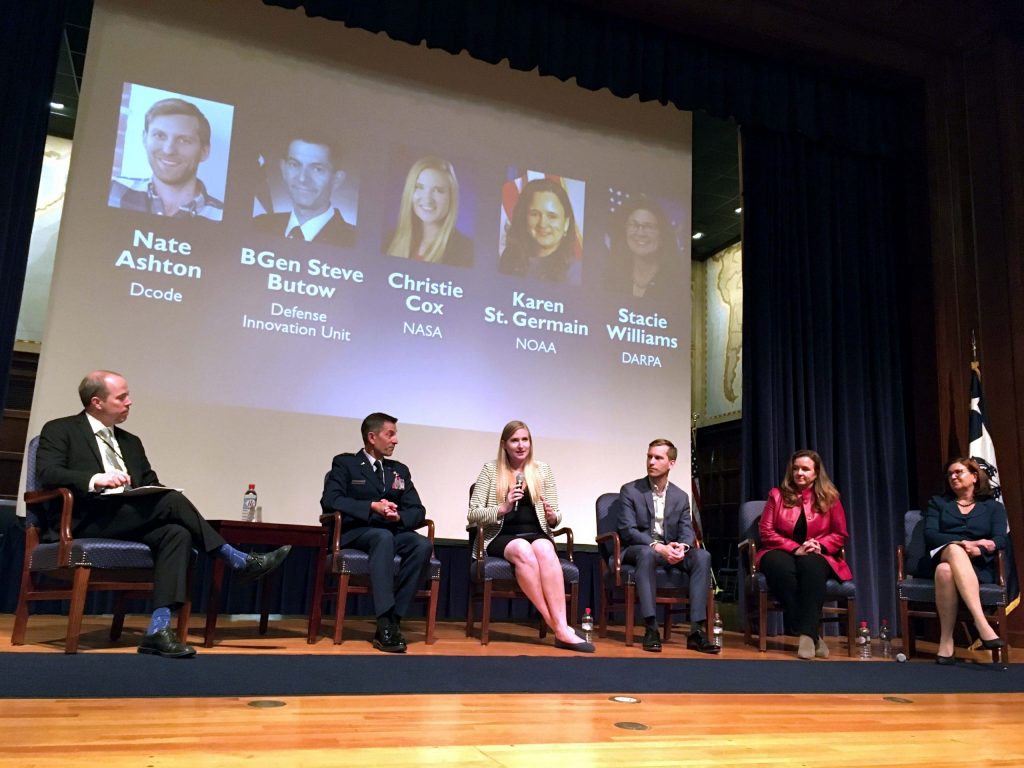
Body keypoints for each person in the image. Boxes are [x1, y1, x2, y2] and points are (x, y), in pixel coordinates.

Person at [34, 371, 291, 658]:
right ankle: (235, 558)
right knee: (171, 501)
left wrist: (151, 492)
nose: (129, 402)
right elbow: (47, 472)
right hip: (84, 518)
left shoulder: (131, 441)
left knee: (177, 533)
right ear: (96, 402)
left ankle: (157, 630)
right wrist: (96, 478)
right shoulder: (61, 429)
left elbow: (150, 481)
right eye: (121, 397)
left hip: (124, 517)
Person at [468, 420, 593, 652]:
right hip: (500, 536)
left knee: (545, 549)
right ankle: (559, 627)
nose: (520, 445)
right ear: (504, 444)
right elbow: (473, 515)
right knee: (522, 549)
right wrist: (503, 508)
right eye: (515, 440)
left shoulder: (542, 470)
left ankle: (560, 627)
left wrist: (553, 516)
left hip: (536, 533)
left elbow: (556, 514)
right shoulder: (490, 470)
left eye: (525, 440)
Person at [320, 413, 433, 653]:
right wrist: (372, 506)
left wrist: (398, 516)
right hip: (356, 532)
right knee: (382, 537)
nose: (396, 440)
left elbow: (418, 510)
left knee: (422, 545)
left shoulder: (399, 470)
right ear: (372, 437)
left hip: (391, 530)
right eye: (390, 434)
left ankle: (395, 619)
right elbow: (331, 500)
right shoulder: (346, 463)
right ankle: (384, 622)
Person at [617, 439, 719, 654]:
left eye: (658, 458)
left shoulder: (680, 496)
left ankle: (696, 632)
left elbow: (686, 530)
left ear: (671, 463)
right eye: (649, 457)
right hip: (638, 549)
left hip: (669, 549)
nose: (651, 462)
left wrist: (682, 547)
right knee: (647, 553)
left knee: (702, 556)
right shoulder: (630, 490)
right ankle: (651, 628)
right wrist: (657, 546)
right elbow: (628, 530)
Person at [756, 449, 852, 659]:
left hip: (816, 552)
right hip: (779, 550)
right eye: (796, 468)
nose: (799, 473)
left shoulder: (831, 497)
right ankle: (810, 634)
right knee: (779, 566)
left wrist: (820, 544)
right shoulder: (777, 495)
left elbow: (840, 534)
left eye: (805, 469)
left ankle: (806, 635)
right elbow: (766, 532)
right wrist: (793, 548)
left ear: (816, 473)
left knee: (811, 565)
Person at [924, 457, 1007, 664]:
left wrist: (979, 548)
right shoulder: (938, 503)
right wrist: (964, 543)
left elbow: (1000, 539)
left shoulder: (993, 507)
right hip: (942, 552)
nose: (953, 476)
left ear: (974, 476)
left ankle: (945, 642)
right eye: (950, 473)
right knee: (953, 549)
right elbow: (931, 534)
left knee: (945, 571)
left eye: (958, 472)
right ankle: (981, 622)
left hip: (977, 566)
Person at [109, 97, 224, 220]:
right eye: (159, 135)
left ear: (204, 152)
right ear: (144, 139)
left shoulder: (222, 216)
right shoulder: (111, 189)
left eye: (183, 140)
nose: (168, 150)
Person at [253, 134, 356, 247]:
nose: (302, 178)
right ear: (283, 169)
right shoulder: (259, 225)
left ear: (336, 180)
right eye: (294, 165)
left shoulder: (353, 241)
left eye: (317, 169)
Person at [384, 156, 473, 267]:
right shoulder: (389, 240)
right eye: (420, 187)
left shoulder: (466, 252)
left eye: (438, 190)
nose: (427, 199)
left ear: (451, 197)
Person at [602, 196, 683, 299]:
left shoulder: (676, 284)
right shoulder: (610, 278)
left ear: (662, 235)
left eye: (648, 227)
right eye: (634, 225)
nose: (640, 233)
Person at [498, 178, 577, 282]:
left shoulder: (575, 272)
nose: (542, 224)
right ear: (524, 218)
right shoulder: (509, 260)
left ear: (566, 224)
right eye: (534, 214)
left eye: (552, 216)